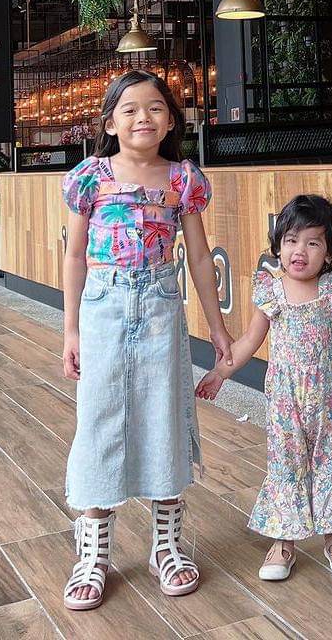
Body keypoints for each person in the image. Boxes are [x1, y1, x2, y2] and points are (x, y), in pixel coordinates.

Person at [60, 69, 234, 610]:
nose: (143, 117)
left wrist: (218, 327)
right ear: (110, 123)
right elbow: (74, 256)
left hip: (161, 306)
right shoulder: (90, 177)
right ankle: (93, 552)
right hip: (103, 308)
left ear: (171, 120)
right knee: (100, 419)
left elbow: (199, 258)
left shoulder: (183, 179)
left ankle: (167, 546)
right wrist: (70, 330)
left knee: (165, 415)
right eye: (130, 109)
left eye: (155, 107)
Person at [196, 194, 332, 581]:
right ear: (279, 245)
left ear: (329, 252)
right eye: (291, 240)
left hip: (328, 400)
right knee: (286, 465)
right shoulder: (271, 291)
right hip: (285, 401)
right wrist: (220, 373)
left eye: (312, 242)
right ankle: (283, 542)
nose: (299, 251)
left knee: (330, 461)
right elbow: (249, 341)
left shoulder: (331, 286)